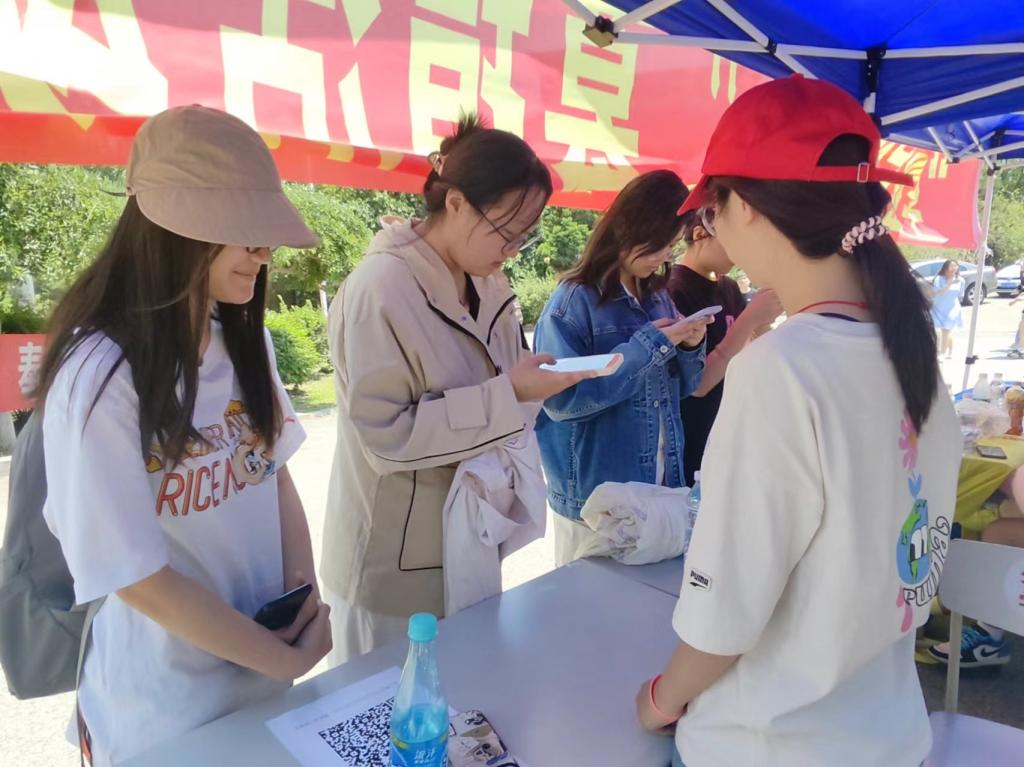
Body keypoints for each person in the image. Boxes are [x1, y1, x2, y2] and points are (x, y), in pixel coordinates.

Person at [634, 75, 962, 767]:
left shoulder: (781, 370)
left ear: (747, 207)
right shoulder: (914, 356)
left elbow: (724, 616)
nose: (712, 229)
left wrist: (660, 699)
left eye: (713, 209)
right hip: (894, 738)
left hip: (769, 745)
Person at [35, 106, 330, 766]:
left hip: (264, 679)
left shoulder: (242, 342)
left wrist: (302, 600)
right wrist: (279, 657)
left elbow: (275, 474)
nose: (264, 252)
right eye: (246, 232)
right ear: (176, 229)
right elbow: (137, 578)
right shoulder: (100, 375)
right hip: (164, 715)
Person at [322, 115, 588, 664]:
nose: (512, 249)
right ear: (458, 202)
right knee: (399, 707)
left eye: (525, 235)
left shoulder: (488, 280)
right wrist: (509, 394)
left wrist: (531, 384)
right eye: (505, 230)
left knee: (470, 693)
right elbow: (386, 437)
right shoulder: (380, 288)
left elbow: (504, 385)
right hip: (395, 564)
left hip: (471, 540)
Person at [532, 170, 710, 565]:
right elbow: (561, 400)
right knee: (591, 602)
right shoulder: (573, 302)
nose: (666, 257)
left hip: (659, 487)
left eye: (671, 246)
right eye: (660, 245)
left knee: (649, 601)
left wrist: (689, 346)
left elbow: (681, 390)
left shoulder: (658, 297)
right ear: (632, 229)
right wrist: (650, 345)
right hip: (596, 502)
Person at [667, 213, 783, 484]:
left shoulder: (728, 288)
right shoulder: (674, 289)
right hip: (691, 439)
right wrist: (749, 319)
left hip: (727, 431)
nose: (740, 252)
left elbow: (758, 347)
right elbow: (697, 384)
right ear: (700, 235)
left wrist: (765, 318)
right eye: (732, 240)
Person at [931, 259, 964, 360]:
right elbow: (938, 293)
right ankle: (950, 350)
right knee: (942, 330)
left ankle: (942, 353)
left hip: (953, 308)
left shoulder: (960, 280)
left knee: (946, 330)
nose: (954, 268)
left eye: (956, 266)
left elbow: (960, 295)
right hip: (939, 308)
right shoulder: (938, 279)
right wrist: (949, 283)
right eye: (952, 265)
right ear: (946, 268)